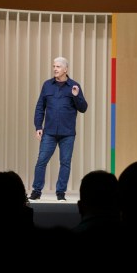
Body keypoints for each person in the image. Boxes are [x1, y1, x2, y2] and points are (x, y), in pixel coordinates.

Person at [28, 57, 88, 201]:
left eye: (58, 66)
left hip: (67, 133)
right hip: (49, 132)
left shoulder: (74, 86)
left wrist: (76, 96)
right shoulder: (47, 85)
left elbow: (83, 108)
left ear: (65, 69)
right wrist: (38, 126)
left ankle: (60, 193)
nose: (55, 69)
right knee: (41, 161)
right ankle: (36, 191)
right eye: (54, 66)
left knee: (65, 163)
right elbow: (40, 107)